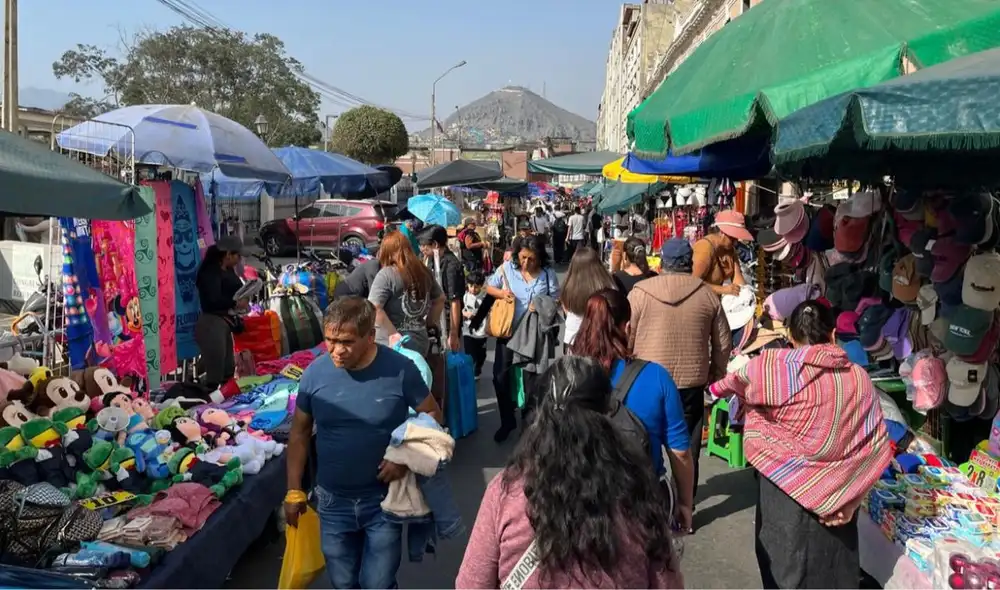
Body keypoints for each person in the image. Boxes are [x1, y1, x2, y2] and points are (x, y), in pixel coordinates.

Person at [456, 356, 683, 589]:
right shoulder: (637, 494)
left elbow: (471, 584)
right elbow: (668, 583)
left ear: (539, 417)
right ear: (607, 416)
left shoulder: (506, 492)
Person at [710, 301, 890, 589]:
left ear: (791, 337)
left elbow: (730, 384)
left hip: (782, 495)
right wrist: (853, 500)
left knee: (782, 572)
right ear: (833, 335)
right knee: (835, 575)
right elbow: (875, 445)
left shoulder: (770, 369)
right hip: (840, 503)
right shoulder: (859, 378)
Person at [284, 297, 444, 589]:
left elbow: (433, 413)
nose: (336, 350)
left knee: (378, 583)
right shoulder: (314, 375)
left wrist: (404, 459)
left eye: (346, 341)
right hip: (332, 503)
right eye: (330, 340)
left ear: (370, 336)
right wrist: (294, 491)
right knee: (344, 584)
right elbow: (299, 433)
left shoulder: (400, 369)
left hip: (382, 502)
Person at [572, 288, 695, 533]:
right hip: (641, 507)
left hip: (581, 503)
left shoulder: (568, 375)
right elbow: (680, 453)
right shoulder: (656, 377)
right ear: (627, 327)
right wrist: (684, 503)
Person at [628, 238, 731, 507]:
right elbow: (723, 341)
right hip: (690, 382)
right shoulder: (707, 294)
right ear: (689, 264)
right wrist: (716, 372)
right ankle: (685, 506)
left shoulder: (640, 292)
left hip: (646, 380)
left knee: (643, 443)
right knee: (687, 448)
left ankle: (647, 508)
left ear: (662, 263)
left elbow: (626, 334)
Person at [485, 234, 560, 443]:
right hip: (508, 332)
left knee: (532, 381)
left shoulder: (547, 275)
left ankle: (529, 424)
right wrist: (502, 294)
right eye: (523, 257)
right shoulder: (508, 268)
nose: (526, 263)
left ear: (539, 258)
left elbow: (556, 300)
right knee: (500, 377)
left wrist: (542, 303)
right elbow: (489, 287)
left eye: (531, 259)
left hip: (533, 335)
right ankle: (507, 420)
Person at [368, 230, 445, 357]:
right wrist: (429, 323)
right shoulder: (424, 272)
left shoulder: (387, 274)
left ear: (387, 251)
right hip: (419, 342)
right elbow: (440, 299)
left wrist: (393, 334)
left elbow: (374, 308)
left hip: (392, 347)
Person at [195, 236, 247, 390]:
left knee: (228, 369)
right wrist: (235, 302)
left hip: (224, 322)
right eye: (238, 255)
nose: (239, 260)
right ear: (228, 254)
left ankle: (226, 402)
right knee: (215, 373)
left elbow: (235, 287)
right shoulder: (209, 272)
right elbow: (212, 300)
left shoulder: (228, 269)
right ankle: (208, 404)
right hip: (212, 324)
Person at [418, 225, 465, 352]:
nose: (421, 249)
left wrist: (453, 334)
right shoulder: (433, 259)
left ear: (435, 244)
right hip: (436, 317)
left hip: (448, 321)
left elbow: (455, 302)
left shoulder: (451, 266)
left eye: (423, 245)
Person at [560, 247, 614, 348]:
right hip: (599, 337)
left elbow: (565, 307)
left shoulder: (568, 285)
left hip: (573, 336)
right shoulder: (608, 285)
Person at [693, 210, 752, 297]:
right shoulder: (704, 248)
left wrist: (745, 294)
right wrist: (722, 290)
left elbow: (738, 279)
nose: (736, 242)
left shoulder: (730, 249)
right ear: (722, 233)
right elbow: (692, 283)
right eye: (733, 238)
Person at [462, 271, 488, 379]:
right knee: (470, 354)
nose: (473, 289)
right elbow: (463, 309)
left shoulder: (485, 298)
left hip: (482, 332)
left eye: (476, 287)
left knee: (481, 354)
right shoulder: (466, 296)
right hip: (468, 331)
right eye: (471, 286)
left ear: (481, 286)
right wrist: (464, 313)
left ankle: (478, 368)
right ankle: (470, 372)